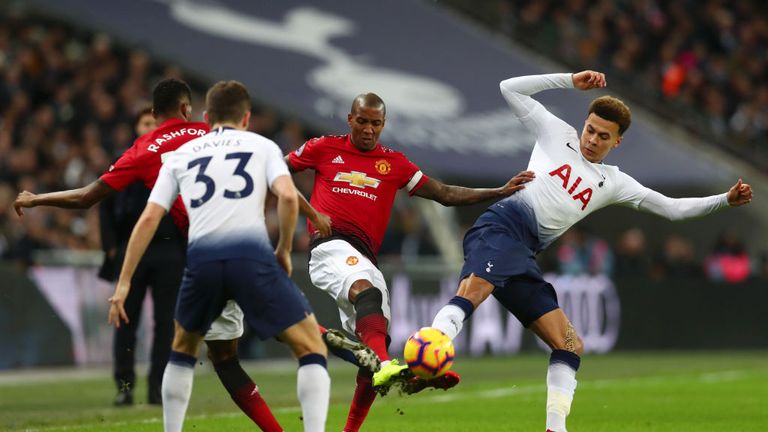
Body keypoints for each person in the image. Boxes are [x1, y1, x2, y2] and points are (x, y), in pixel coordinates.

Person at [426, 70, 753, 432]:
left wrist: (724, 200)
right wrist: (568, 80)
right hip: (501, 226)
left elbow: (672, 209)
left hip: (525, 254)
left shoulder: (613, 183)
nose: (592, 140)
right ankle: (432, 342)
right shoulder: (557, 133)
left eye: (603, 136)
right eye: (590, 130)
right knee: (478, 287)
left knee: (570, 344)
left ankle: (555, 428)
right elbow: (508, 88)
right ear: (583, 125)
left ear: (618, 142)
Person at [14, 79, 288, 430]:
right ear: (189, 109)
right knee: (279, 333)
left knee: (190, 348)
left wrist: (37, 199)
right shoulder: (211, 132)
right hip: (243, 242)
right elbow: (278, 181)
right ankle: (327, 339)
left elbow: (87, 198)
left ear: (154, 115)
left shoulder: (144, 150)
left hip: (198, 254)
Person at [285, 92, 535, 432]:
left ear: (383, 124)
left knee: (372, 349)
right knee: (369, 297)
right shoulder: (323, 147)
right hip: (329, 245)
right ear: (350, 119)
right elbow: (277, 174)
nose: (369, 129)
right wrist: (310, 213)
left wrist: (499, 191)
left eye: (376, 123)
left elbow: (444, 194)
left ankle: (360, 412)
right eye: (362, 121)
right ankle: (389, 365)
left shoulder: (395, 163)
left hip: (364, 258)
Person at [108, 80, 330, 432]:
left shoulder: (181, 155)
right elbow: (288, 198)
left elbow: (149, 218)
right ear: (246, 117)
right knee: (311, 347)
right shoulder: (262, 145)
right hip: (252, 258)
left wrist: (123, 283)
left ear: (207, 116)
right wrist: (284, 250)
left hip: (201, 263)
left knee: (182, 350)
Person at [97, 106, 185, 406]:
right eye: (144, 122)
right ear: (135, 127)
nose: (149, 127)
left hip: (169, 250)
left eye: (154, 123)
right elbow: (103, 202)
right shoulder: (127, 160)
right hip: (131, 250)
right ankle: (125, 386)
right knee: (125, 320)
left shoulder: (175, 159)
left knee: (166, 324)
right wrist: (110, 244)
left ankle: (157, 388)